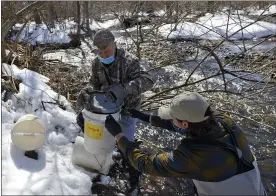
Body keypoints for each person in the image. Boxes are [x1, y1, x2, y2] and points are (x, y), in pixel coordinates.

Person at [104, 91, 266, 195]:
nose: (171, 119)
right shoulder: (224, 121)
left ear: (185, 123)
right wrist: (146, 118)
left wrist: (119, 135)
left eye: (172, 116)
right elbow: (184, 127)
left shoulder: (191, 156)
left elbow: (144, 163)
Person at [76, 29, 154, 193]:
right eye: (100, 52)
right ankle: (106, 159)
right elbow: (93, 84)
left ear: (115, 44)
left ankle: (133, 180)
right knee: (90, 128)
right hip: (105, 111)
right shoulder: (97, 63)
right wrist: (86, 92)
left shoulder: (129, 62)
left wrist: (124, 89)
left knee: (126, 146)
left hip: (127, 112)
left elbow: (148, 80)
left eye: (107, 50)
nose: (104, 55)